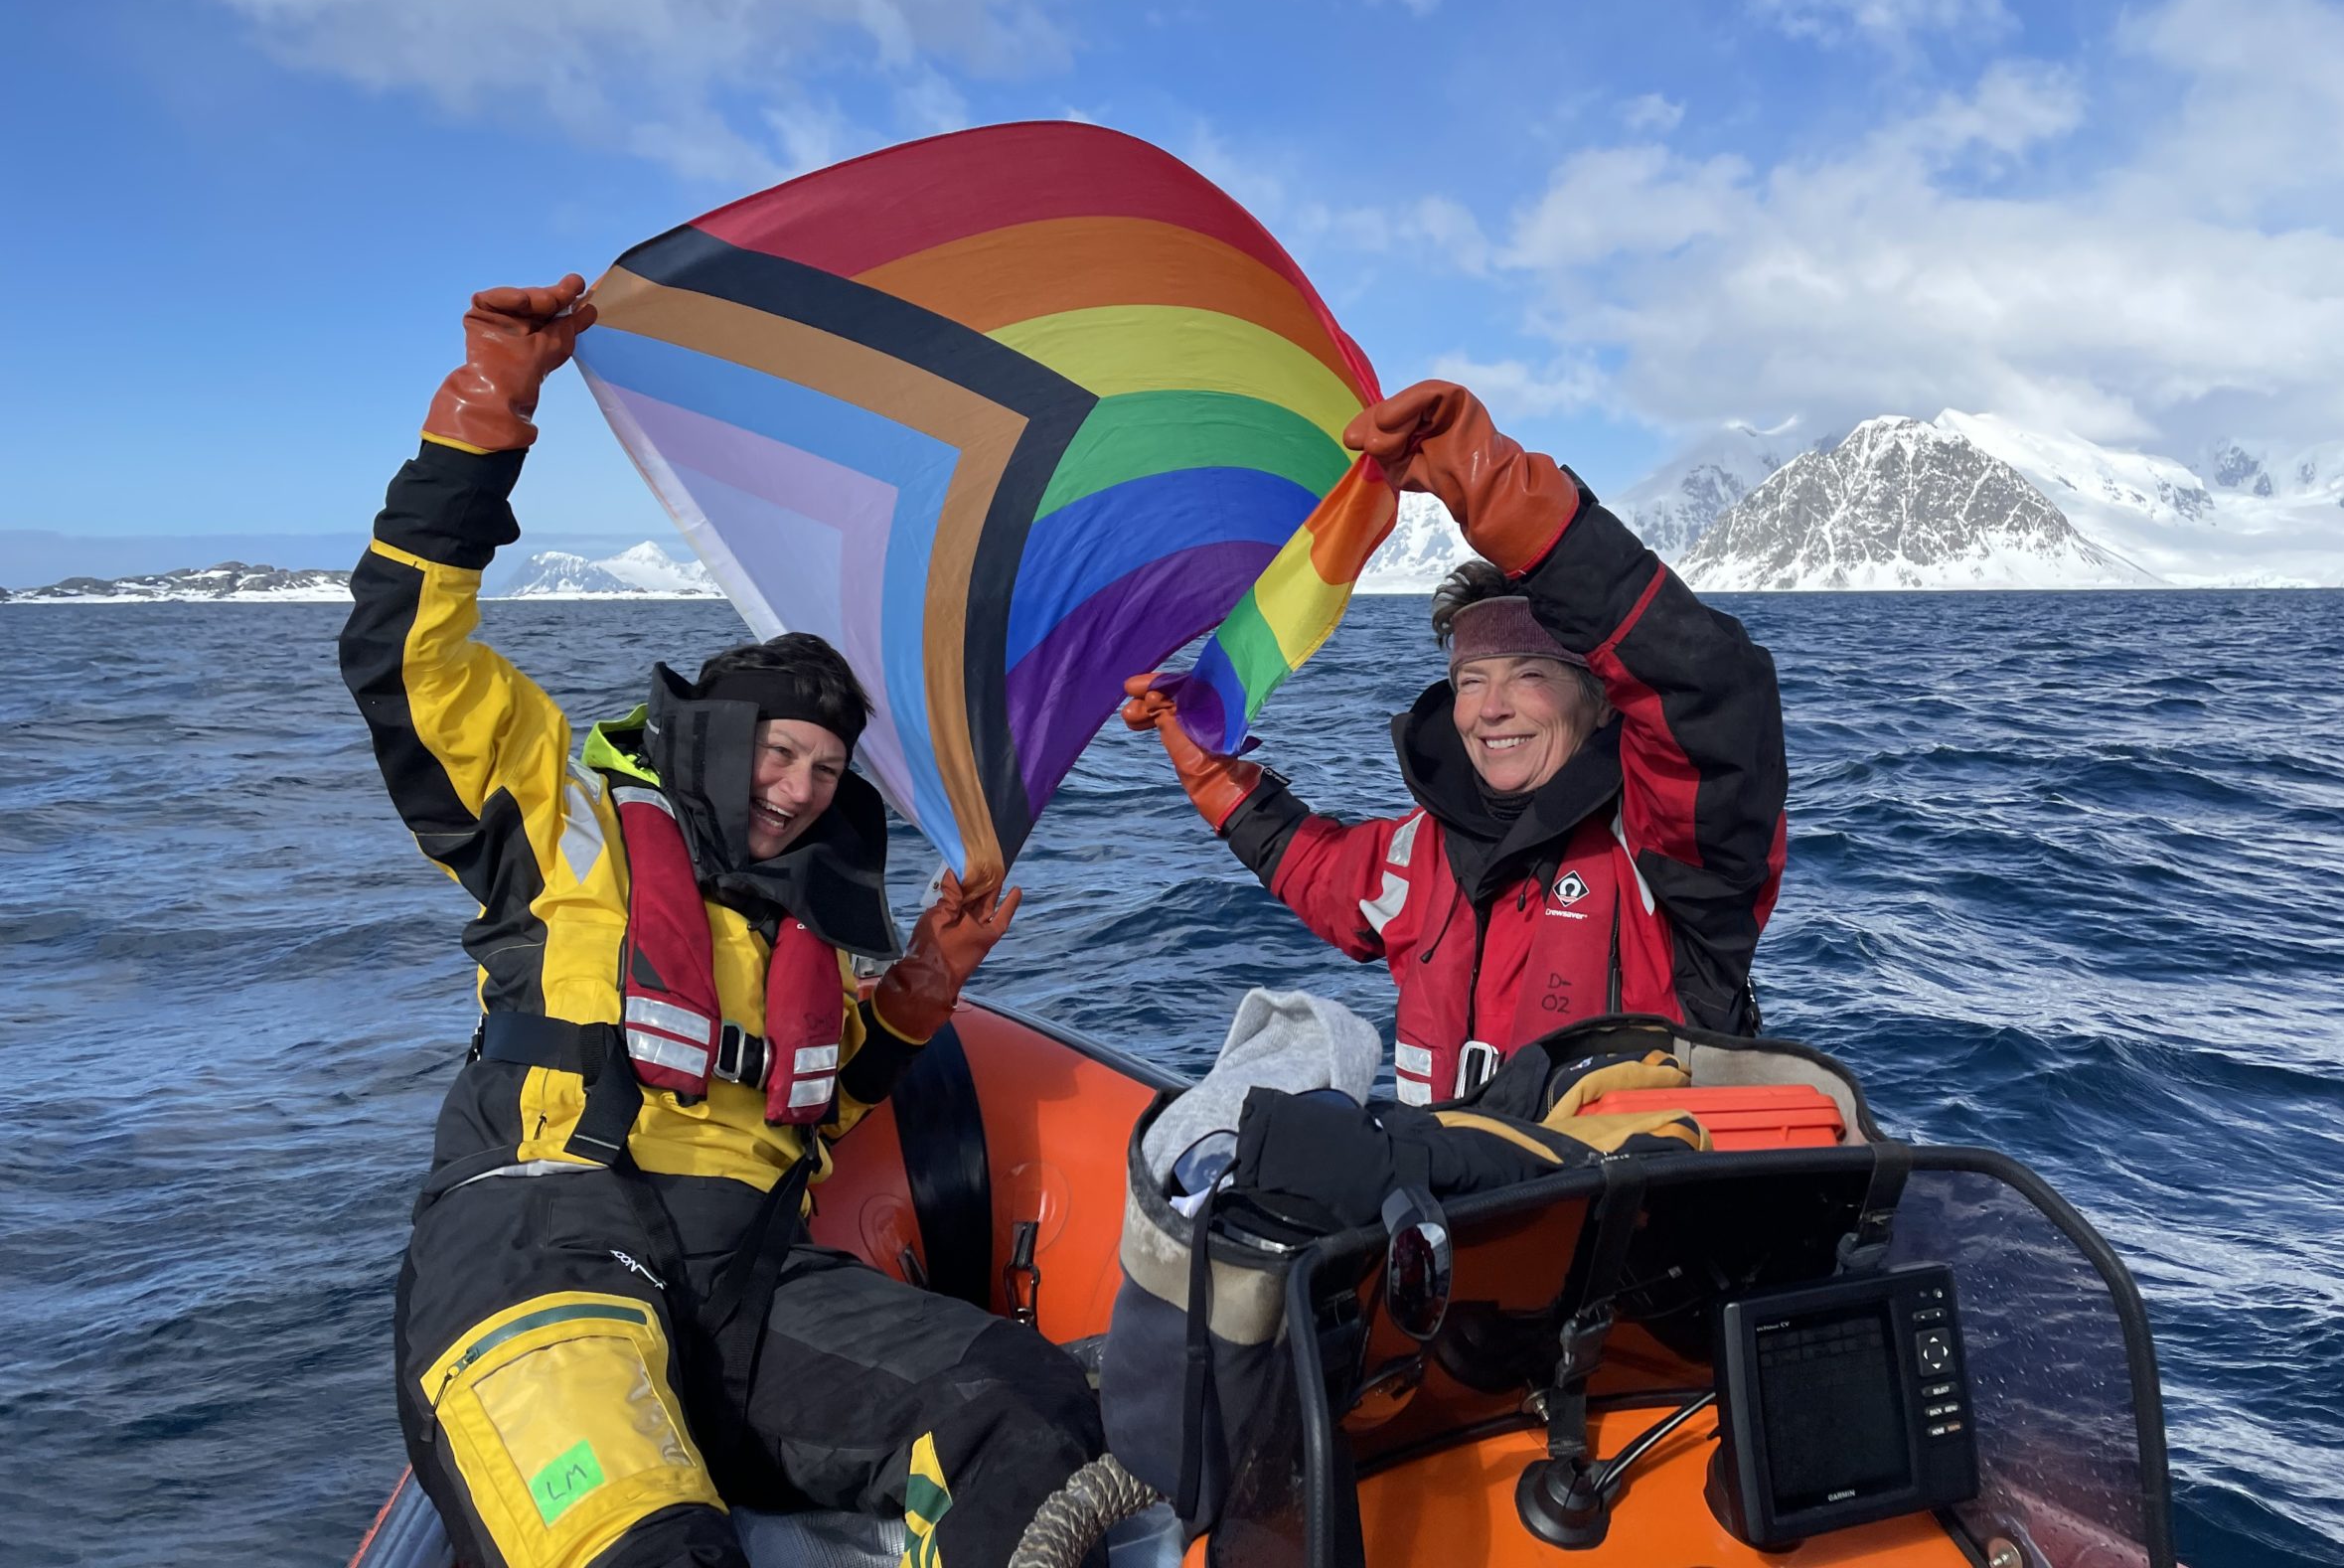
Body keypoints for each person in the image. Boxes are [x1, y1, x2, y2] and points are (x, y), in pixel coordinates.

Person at [342, 276, 1100, 1568]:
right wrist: (488, 413)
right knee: (650, 1547)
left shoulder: (793, 933)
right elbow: (403, 652)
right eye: (779, 751)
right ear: (712, 731)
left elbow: (825, 1100)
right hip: (547, 1238)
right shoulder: (558, 803)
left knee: (1033, 1412)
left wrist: (920, 986)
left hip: (748, 1293)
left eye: (824, 770)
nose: (799, 789)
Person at [1124, 381, 1788, 1105]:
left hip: (1625, 1209)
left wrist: (1511, 501)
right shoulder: (1420, 855)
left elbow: (1715, 693)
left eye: (1530, 674)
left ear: (1598, 701)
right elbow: (1319, 871)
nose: (1491, 709)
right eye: (1472, 680)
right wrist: (1216, 779)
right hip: (1450, 1210)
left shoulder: (1667, 850)